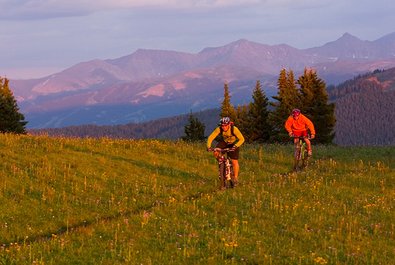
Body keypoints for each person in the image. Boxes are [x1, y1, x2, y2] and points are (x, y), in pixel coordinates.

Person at [207, 117, 245, 186]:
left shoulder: (234, 129)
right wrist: (209, 146)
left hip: (234, 143)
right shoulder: (219, 129)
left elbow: (242, 139)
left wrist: (236, 146)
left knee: (234, 161)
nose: (223, 127)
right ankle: (221, 163)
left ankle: (235, 178)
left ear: (229, 124)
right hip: (225, 142)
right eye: (222, 125)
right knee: (215, 151)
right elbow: (211, 137)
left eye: (225, 125)